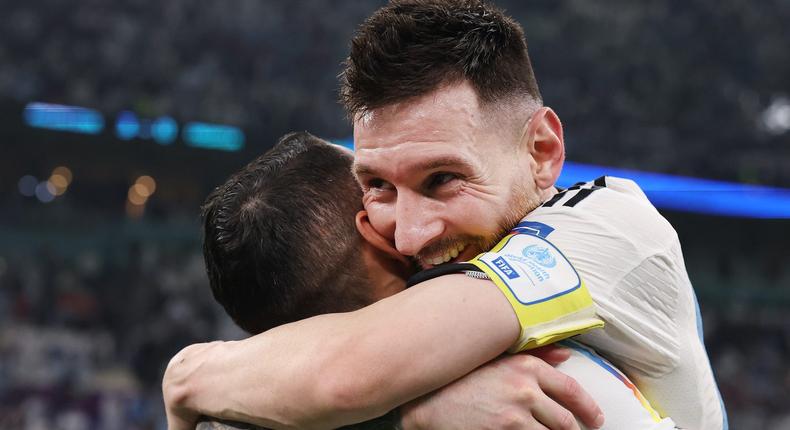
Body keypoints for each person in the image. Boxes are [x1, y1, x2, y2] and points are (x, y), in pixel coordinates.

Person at [164, 1, 726, 429]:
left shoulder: (608, 228)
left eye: (443, 180)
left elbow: (346, 375)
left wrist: (190, 373)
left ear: (542, 152)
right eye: (378, 185)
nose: (408, 235)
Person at [193, 131, 674, 430]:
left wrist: (190, 373)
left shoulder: (243, 410)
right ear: (376, 233)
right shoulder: (539, 391)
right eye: (379, 185)